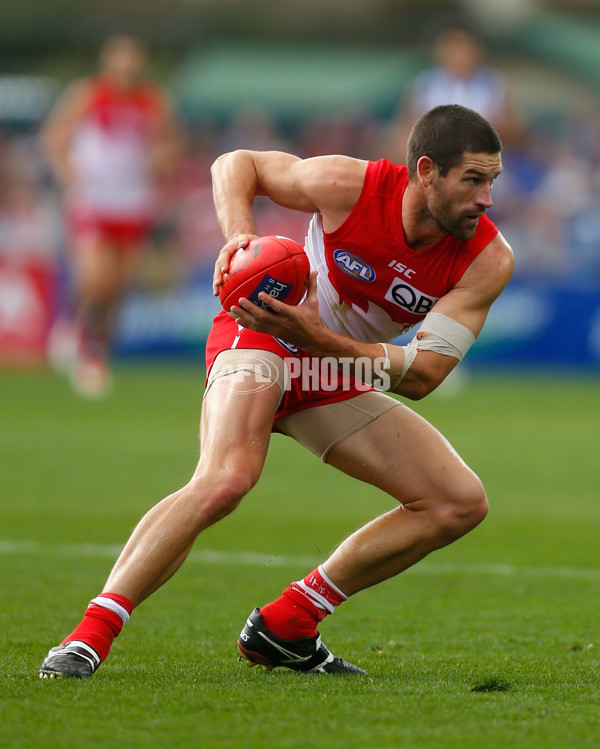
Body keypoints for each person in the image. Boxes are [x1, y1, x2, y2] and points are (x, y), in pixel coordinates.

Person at [39, 104, 513, 679]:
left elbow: (423, 375)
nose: (487, 198)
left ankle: (287, 624)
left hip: (327, 364)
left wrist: (319, 340)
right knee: (227, 478)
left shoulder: (489, 259)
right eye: (474, 180)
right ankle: (89, 636)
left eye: (492, 181)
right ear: (426, 171)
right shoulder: (351, 185)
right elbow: (236, 164)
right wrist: (242, 237)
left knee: (458, 501)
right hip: (260, 333)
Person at [42, 34, 182, 397]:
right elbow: (57, 134)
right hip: (93, 198)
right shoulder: (87, 94)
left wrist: (162, 160)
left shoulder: (153, 101)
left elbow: (170, 142)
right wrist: (66, 169)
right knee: (96, 276)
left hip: (134, 201)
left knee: (119, 284)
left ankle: (97, 347)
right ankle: (85, 345)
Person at [390, 26, 523, 159]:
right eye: (453, 48)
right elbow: (406, 129)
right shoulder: (425, 84)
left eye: (463, 47)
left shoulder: (492, 83)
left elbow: (515, 130)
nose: (459, 55)